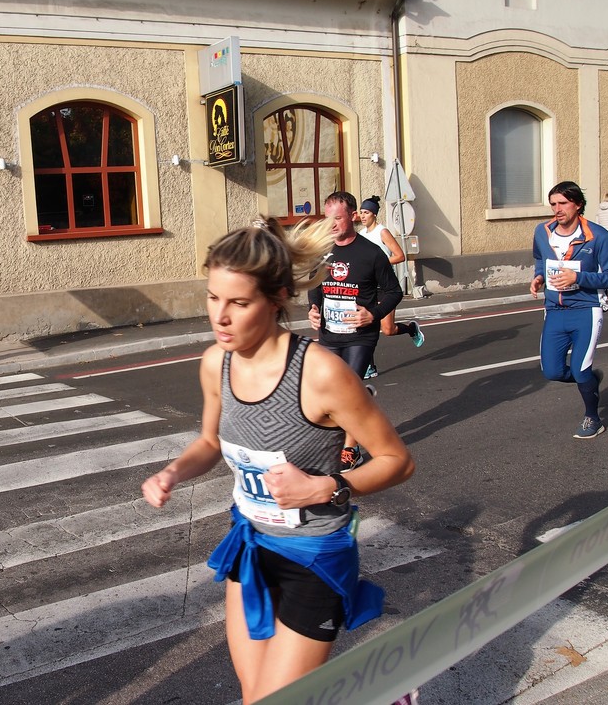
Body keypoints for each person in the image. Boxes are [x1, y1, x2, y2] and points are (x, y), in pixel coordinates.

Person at [141, 215, 413, 704]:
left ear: (276, 299)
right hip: (251, 547)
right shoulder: (215, 362)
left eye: (239, 303)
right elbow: (209, 441)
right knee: (254, 697)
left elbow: (397, 459)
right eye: (212, 297)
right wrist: (173, 471)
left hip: (314, 560)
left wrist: (326, 486)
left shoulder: (321, 373)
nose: (219, 316)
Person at [307, 192, 403, 467]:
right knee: (326, 392)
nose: (332, 224)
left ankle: (351, 448)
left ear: (353, 216)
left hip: (360, 336)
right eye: (328, 219)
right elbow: (315, 286)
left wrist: (372, 314)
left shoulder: (371, 253)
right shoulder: (322, 250)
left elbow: (394, 292)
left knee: (346, 391)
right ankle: (362, 399)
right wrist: (314, 310)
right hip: (329, 335)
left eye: (338, 218)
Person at [530, 181, 608, 439]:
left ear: (578, 204)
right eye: (553, 204)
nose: (556, 209)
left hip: (587, 309)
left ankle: (593, 418)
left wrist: (578, 278)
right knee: (552, 371)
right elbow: (541, 259)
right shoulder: (542, 231)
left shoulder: (598, 236)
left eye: (562, 203)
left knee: (580, 369)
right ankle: (590, 380)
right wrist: (539, 277)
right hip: (554, 310)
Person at [356, 195, 425, 379]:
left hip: (386, 286)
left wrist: (378, 264)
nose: (363, 216)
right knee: (365, 325)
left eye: (367, 212)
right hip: (368, 287)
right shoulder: (361, 235)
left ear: (374, 214)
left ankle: (411, 329)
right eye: (361, 212)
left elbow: (400, 255)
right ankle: (369, 367)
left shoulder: (382, 232)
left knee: (388, 330)